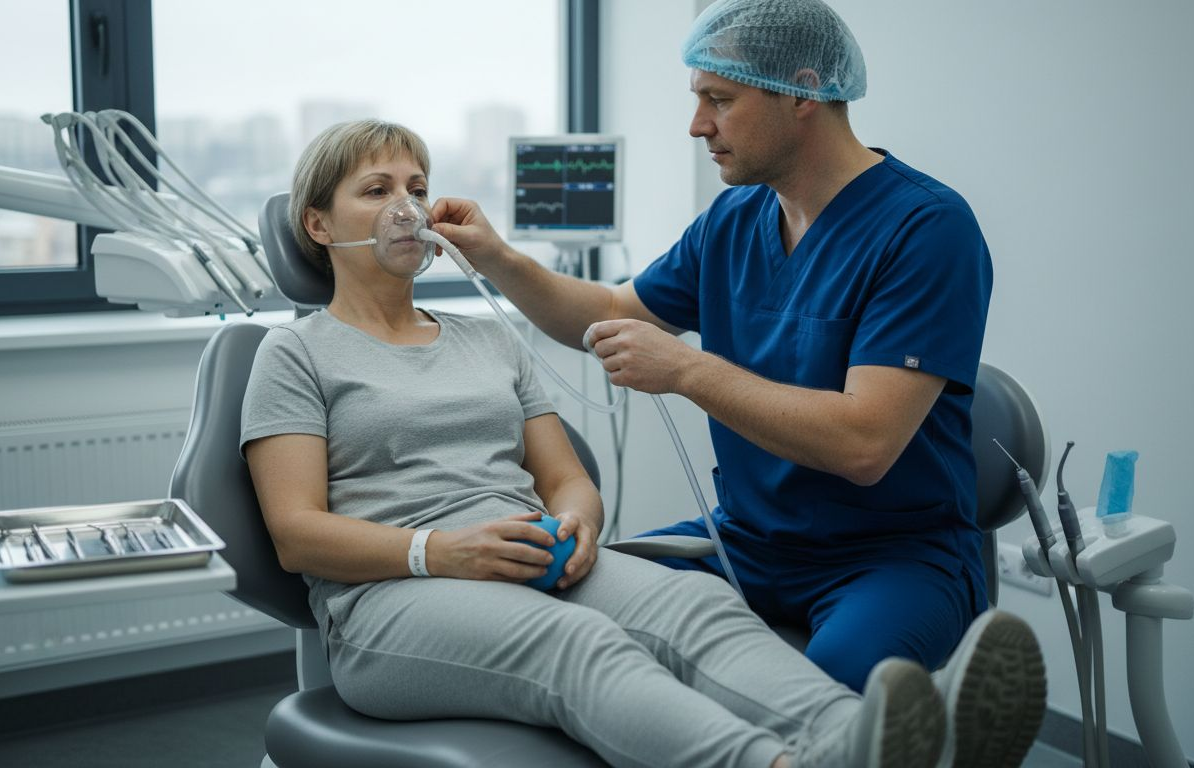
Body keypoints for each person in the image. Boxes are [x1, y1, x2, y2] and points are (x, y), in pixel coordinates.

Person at [238, 118, 983, 768]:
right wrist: (441, 551)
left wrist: (577, 525)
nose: (407, 207)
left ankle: (873, 742)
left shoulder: (489, 340)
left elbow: (567, 478)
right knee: (580, 647)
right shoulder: (297, 354)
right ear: (319, 226)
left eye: (418, 185)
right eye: (376, 191)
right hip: (393, 598)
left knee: (697, 607)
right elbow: (297, 535)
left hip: (527, 558)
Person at [428, 0, 1045, 766]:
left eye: (719, 100)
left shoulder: (926, 230)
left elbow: (864, 444)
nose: (697, 125)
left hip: (890, 557)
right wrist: (497, 257)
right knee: (573, 606)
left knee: (824, 700)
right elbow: (614, 311)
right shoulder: (734, 221)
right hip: (744, 540)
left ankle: (937, 741)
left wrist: (687, 370)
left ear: (802, 91)